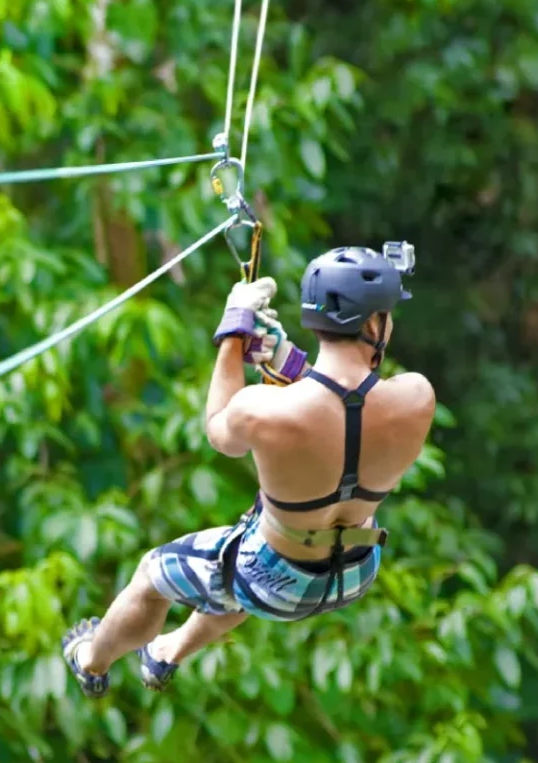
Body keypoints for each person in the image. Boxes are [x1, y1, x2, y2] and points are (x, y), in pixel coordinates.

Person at [62, 244, 436, 698]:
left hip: (273, 580)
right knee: (236, 560)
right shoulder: (416, 397)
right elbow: (343, 410)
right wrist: (286, 361)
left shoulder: (265, 411)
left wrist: (233, 334)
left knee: (158, 573)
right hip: (357, 569)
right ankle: (167, 651)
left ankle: (91, 661)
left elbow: (221, 431)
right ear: (374, 325)